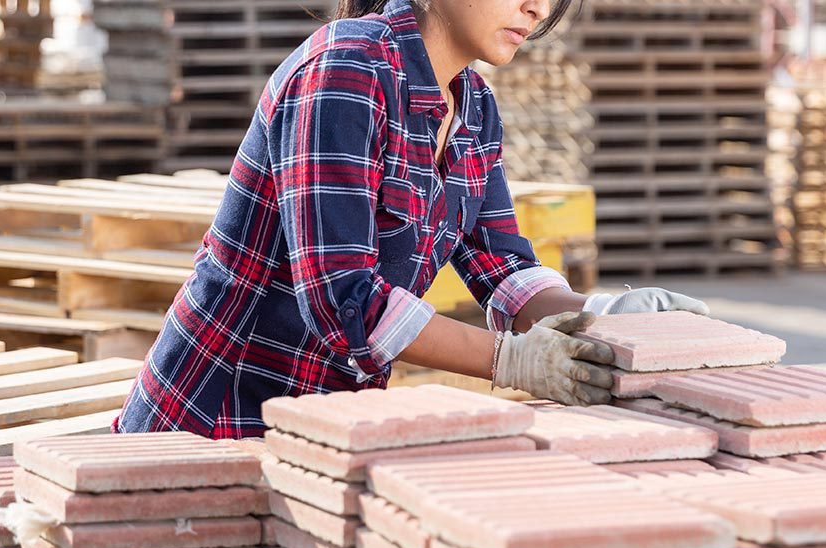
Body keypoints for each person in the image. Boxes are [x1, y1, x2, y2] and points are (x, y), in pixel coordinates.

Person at [113, 0, 708, 439]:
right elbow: (341, 301)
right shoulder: (344, 69)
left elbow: (502, 265)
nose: (537, 8)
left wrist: (600, 317)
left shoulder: (472, 102)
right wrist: (512, 361)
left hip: (322, 425)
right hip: (211, 418)